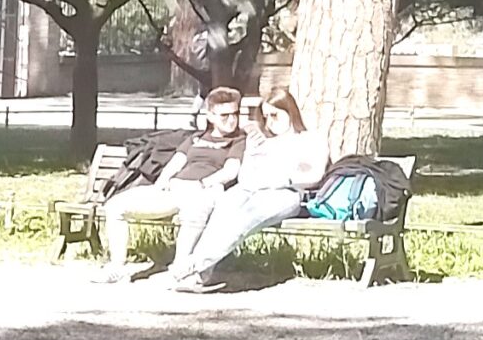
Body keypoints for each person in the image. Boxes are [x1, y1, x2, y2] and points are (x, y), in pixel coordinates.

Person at [167, 89, 331, 293]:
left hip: (286, 193)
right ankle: (198, 276)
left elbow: (313, 174)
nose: (270, 122)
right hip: (252, 189)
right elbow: (246, 179)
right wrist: (253, 153)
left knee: (245, 217)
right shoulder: (265, 142)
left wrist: (280, 178)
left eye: (275, 115)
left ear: (290, 112)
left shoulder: (310, 139)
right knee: (225, 205)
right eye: (266, 117)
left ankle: (190, 265)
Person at [102, 88, 246, 280]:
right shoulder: (195, 138)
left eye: (235, 114)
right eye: (225, 116)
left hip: (207, 189)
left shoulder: (239, 140)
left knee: (194, 212)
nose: (231, 120)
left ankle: (179, 270)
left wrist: (202, 184)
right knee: (115, 206)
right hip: (176, 188)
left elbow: (230, 171)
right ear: (210, 116)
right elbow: (176, 163)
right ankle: (116, 268)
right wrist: (162, 184)